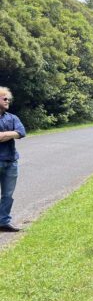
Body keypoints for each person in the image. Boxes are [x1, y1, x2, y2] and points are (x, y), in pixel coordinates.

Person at [0, 87, 26, 232]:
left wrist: (3, 135)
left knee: (8, 195)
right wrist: (12, 134)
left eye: (8, 98)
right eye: (4, 98)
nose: (7, 100)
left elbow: (21, 132)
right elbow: (15, 133)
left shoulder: (13, 118)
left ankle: (3, 221)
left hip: (11, 161)